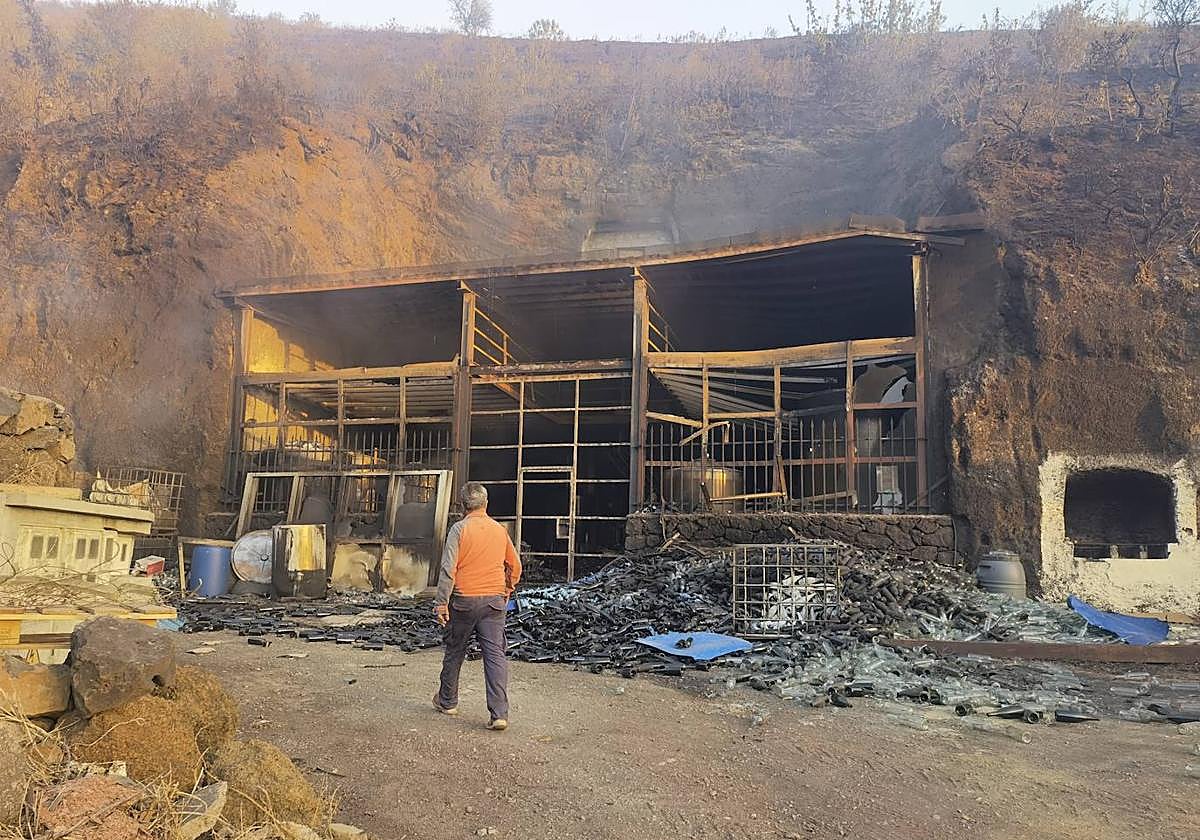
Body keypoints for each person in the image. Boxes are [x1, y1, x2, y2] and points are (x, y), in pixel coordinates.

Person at [432, 481, 522, 730]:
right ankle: (499, 714)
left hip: (464, 601)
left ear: (462, 505)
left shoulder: (459, 529)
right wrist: (507, 589)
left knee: (455, 650)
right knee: (495, 655)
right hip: (494, 601)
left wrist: (441, 603)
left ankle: (448, 702)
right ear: (486, 504)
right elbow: (515, 566)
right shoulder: (499, 530)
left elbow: (448, 568)